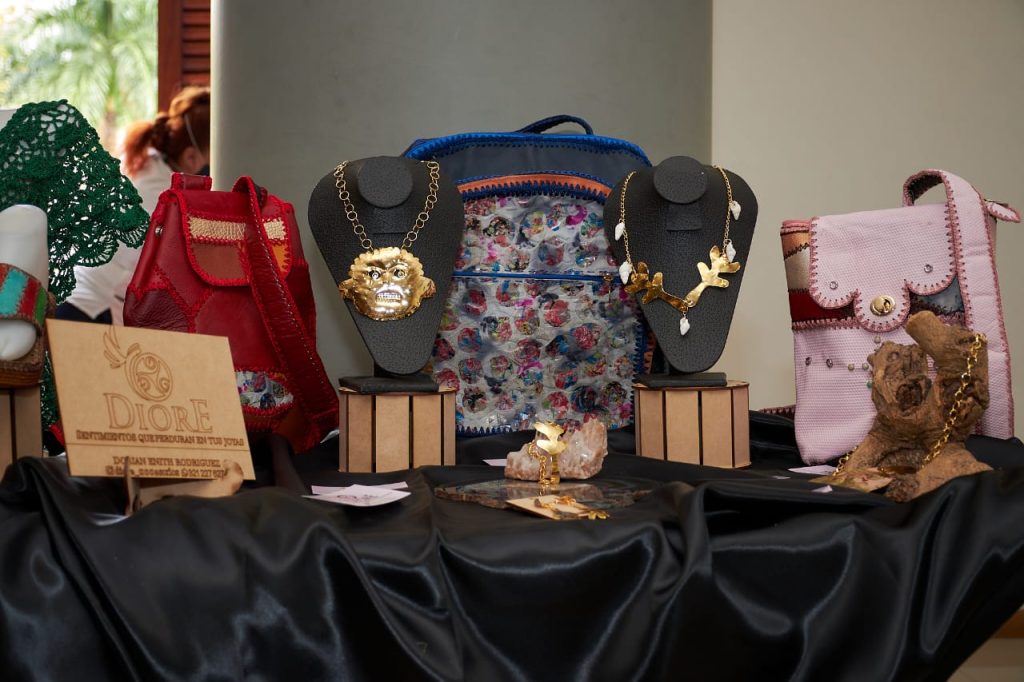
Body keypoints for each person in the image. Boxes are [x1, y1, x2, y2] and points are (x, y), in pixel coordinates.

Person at [57, 86, 210, 324]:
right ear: (190, 157)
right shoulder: (163, 196)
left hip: (74, 293)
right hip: (91, 309)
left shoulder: (144, 164)